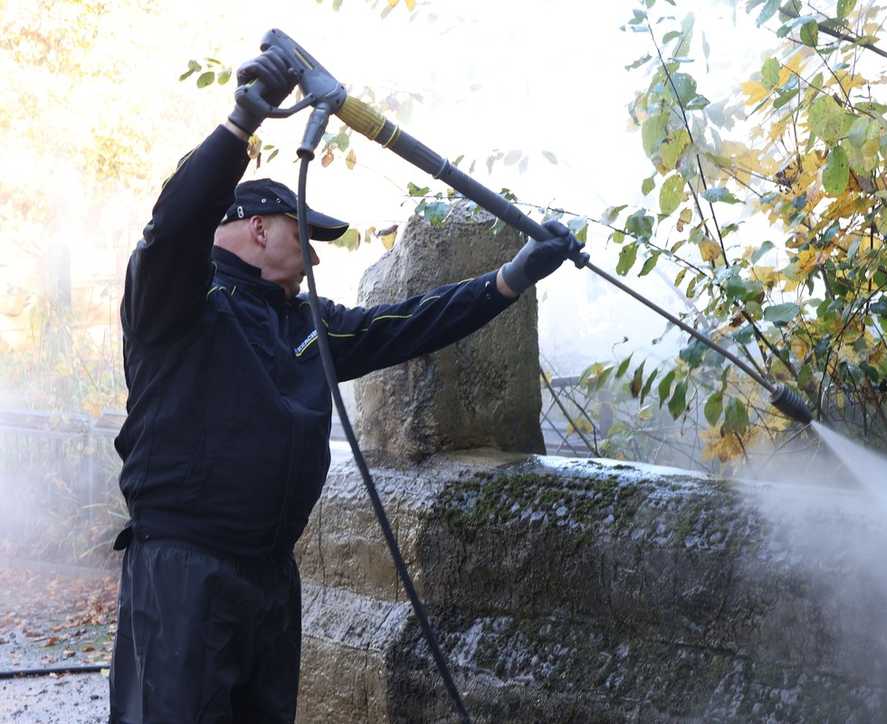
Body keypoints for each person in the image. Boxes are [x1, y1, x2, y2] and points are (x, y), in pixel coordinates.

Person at [109, 46, 583, 723]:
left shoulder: (306, 325)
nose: (316, 254)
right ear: (260, 227)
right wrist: (241, 122)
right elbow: (172, 227)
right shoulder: (180, 299)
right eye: (306, 236)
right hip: (186, 568)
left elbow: (405, 325)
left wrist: (511, 278)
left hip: (270, 576)